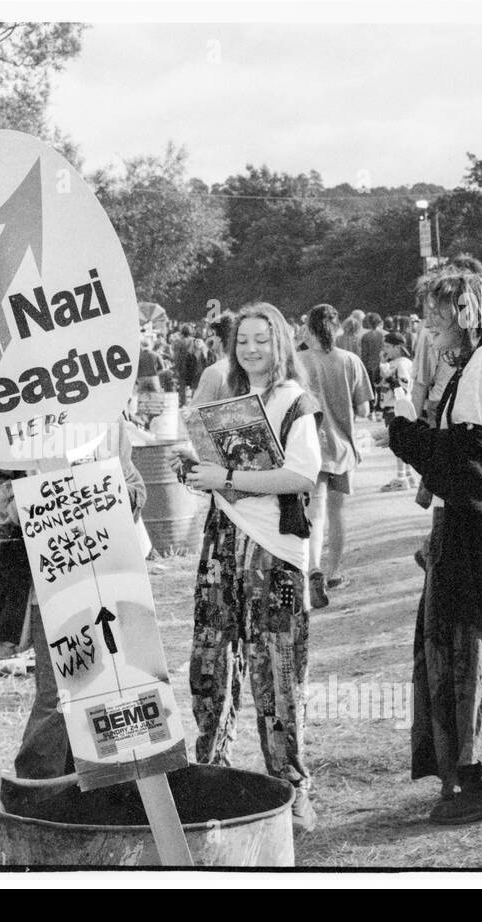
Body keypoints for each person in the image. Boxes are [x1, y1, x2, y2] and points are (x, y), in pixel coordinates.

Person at [387, 264, 482, 825]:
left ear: (465, 311)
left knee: (469, 655)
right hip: (467, 532)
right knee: (463, 654)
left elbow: (466, 460)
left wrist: (404, 433)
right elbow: (463, 458)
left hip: (478, 537)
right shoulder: (476, 363)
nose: (428, 323)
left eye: (436, 311)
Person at [177, 302, 322, 831]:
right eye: (243, 341)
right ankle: (210, 775)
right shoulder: (231, 401)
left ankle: (291, 788)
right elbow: (217, 474)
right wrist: (196, 472)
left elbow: (303, 475)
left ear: (280, 343)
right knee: (211, 661)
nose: (252, 349)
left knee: (277, 670)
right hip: (222, 543)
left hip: (276, 555)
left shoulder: (295, 403)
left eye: (262, 339)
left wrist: (228, 478)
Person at [0, 421, 146, 787]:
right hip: (51, 576)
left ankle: (100, 786)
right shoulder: (21, 424)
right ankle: (38, 790)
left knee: (109, 685)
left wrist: (110, 495)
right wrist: (41, 507)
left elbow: (134, 485)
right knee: (59, 694)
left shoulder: (108, 423)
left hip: (109, 571)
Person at [298, 304, 373, 603]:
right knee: (337, 513)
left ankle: (312, 568)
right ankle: (333, 572)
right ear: (337, 328)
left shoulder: (298, 362)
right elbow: (364, 409)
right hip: (343, 448)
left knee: (313, 513)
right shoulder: (351, 360)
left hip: (309, 448)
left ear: (309, 329)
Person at [379, 332, 417, 491]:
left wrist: (389, 379)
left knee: (397, 442)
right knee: (400, 442)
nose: (385, 349)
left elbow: (403, 387)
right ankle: (409, 476)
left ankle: (401, 478)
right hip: (393, 405)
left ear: (398, 347)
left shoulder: (401, 363)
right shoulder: (397, 362)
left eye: (388, 346)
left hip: (397, 406)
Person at [358, 312, 387, 405]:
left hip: (370, 364)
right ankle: (380, 406)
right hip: (383, 363)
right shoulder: (385, 335)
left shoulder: (366, 336)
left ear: (369, 323)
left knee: (371, 387)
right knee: (382, 387)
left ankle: (371, 407)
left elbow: (364, 353)